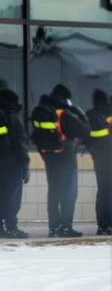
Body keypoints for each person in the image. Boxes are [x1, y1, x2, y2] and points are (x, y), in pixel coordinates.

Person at [37, 84, 91, 238]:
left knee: (54, 193)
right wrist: (81, 114)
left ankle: (53, 228)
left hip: (50, 158)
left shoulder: (44, 112)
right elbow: (85, 131)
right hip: (66, 158)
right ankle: (66, 227)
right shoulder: (64, 114)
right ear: (66, 99)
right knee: (68, 194)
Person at [0, 89, 31, 239]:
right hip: (13, 162)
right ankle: (12, 227)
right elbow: (20, 143)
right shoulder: (13, 117)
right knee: (12, 196)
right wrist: (25, 164)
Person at [83, 89, 111, 236]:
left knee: (102, 191)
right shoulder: (110, 114)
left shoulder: (88, 115)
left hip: (99, 160)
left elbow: (85, 137)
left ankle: (102, 225)